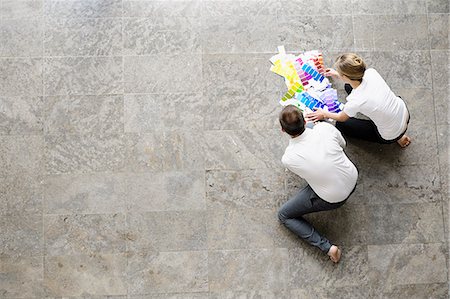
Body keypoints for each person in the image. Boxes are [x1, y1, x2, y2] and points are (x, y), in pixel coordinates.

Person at [278, 105, 358, 263]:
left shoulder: (289, 157)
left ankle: (328, 247)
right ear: (304, 119)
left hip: (334, 197)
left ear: (283, 130)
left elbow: (305, 175)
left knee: (284, 215)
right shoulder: (325, 129)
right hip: (352, 177)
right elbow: (343, 145)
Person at [306, 53, 411, 148]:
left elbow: (341, 117)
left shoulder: (355, 100)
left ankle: (398, 137)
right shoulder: (371, 72)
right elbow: (357, 80)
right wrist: (339, 75)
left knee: (341, 125)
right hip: (403, 112)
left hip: (390, 134)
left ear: (345, 76)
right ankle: (399, 134)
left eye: (340, 73)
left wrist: (324, 114)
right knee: (348, 86)